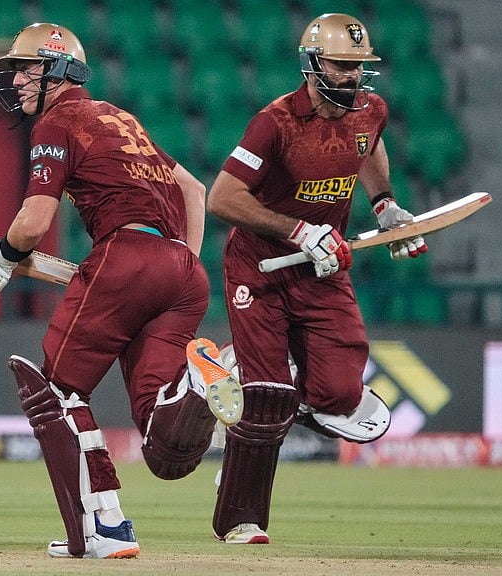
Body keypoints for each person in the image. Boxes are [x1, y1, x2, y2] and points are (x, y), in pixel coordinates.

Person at [0, 23, 243, 559]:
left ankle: (104, 530)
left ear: (61, 69)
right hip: (183, 270)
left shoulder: (57, 121)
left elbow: (33, 220)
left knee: (58, 393)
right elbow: (193, 189)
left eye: (29, 68)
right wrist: (178, 256)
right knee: (161, 433)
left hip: (125, 255)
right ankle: (194, 388)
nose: (18, 80)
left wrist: (3, 254)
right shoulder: (119, 116)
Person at [205, 13, 426, 545]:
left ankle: (254, 386)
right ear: (311, 64)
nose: (352, 77)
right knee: (266, 395)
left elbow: (367, 147)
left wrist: (386, 205)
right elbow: (222, 199)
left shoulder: (370, 110)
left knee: (340, 393)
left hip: (324, 270)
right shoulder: (274, 122)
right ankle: (242, 517)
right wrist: (298, 230)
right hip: (259, 271)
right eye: (341, 65)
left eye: (359, 67)